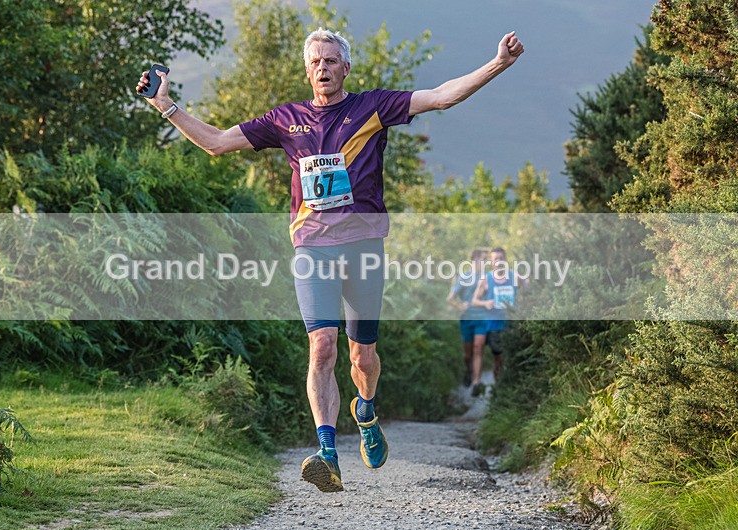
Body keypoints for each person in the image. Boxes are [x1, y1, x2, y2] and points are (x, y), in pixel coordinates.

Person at [136, 27, 524, 493]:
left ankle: (366, 409)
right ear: (307, 69)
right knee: (321, 347)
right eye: (315, 61)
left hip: (363, 247)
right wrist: (165, 104)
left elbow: (440, 97)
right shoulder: (286, 120)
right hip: (313, 247)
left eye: (331, 60)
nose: (323, 67)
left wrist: (497, 64)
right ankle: (327, 453)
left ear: (345, 67)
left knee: (363, 355)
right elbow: (217, 142)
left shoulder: (372, 108)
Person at [447, 248, 489, 396]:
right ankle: (468, 369)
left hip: (482, 318)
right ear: (475, 259)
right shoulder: (464, 277)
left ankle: (476, 383)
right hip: (467, 319)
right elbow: (450, 299)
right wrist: (460, 305)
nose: (486, 262)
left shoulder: (488, 277)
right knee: (468, 354)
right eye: (484, 259)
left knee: (478, 348)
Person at [473, 247, 517, 380]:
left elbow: (528, 288)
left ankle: (506, 383)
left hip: (511, 321)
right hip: (493, 323)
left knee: (508, 355)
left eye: (501, 258)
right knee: (498, 355)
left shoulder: (513, 276)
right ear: (491, 262)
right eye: (495, 259)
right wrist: (485, 303)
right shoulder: (486, 279)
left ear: (506, 260)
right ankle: (498, 382)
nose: (499, 262)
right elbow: (474, 301)